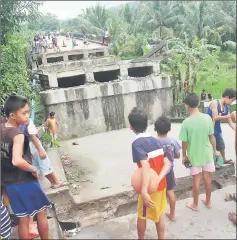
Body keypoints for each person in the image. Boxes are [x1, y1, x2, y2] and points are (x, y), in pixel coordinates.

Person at [1, 95, 51, 239]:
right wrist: (33, 169)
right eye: (24, 113)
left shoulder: (2, 127)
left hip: (8, 183)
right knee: (41, 212)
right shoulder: (18, 135)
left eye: (28, 111)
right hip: (24, 180)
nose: (27, 116)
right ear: (12, 115)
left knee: (22, 218)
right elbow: (17, 160)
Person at [128, 107, 170, 239]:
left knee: (142, 215)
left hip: (150, 188)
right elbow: (167, 163)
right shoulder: (156, 140)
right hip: (161, 185)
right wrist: (158, 178)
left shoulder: (137, 143)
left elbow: (145, 165)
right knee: (159, 216)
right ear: (147, 124)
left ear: (131, 127)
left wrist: (145, 190)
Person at [179, 93, 220, 211]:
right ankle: (208, 202)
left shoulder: (186, 123)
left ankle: (195, 204)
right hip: (207, 154)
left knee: (196, 180)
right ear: (198, 103)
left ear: (186, 106)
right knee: (208, 178)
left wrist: (184, 156)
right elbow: (212, 137)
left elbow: (184, 142)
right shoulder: (207, 118)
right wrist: (215, 150)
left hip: (194, 156)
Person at [154, 116, 181, 221]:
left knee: (158, 194)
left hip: (157, 173)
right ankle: (172, 215)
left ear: (155, 129)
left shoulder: (153, 142)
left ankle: (158, 215)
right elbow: (178, 155)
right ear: (169, 129)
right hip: (169, 172)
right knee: (170, 192)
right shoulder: (173, 142)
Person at [207, 88, 236, 167]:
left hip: (217, 129)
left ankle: (224, 159)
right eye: (232, 100)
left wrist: (234, 128)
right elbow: (215, 117)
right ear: (226, 97)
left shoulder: (227, 107)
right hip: (210, 129)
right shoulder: (215, 103)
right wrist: (230, 115)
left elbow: (229, 121)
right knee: (212, 146)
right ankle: (213, 162)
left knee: (221, 145)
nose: (232, 102)